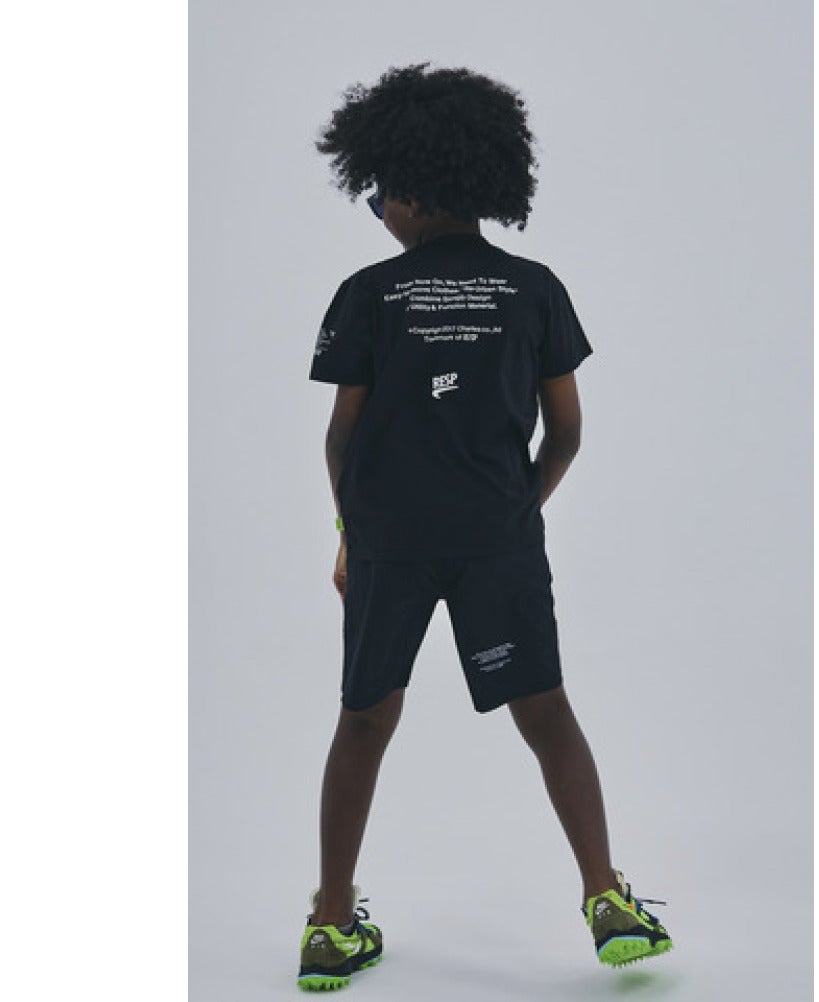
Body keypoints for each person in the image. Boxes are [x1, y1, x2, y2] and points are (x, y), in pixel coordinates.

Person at [297, 62, 673, 992]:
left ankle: (331, 925)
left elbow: (341, 436)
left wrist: (350, 533)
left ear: (413, 192)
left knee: (362, 720)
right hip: (497, 539)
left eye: (380, 194)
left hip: (388, 541)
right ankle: (606, 899)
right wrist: (514, 511)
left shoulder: (369, 293)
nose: (379, 210)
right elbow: (568, 430)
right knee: (545, 711)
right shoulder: (534, 288)